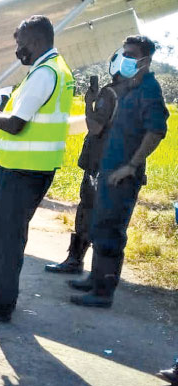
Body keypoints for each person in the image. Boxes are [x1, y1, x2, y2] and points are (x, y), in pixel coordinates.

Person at [0, 15, 74, 322]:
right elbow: (19, 116)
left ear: (36, 42)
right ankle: (1, 295)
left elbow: (14, 124)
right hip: (30, 167)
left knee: (7, 239)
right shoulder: (52, 69)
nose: (18, 50)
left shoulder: (43, 74)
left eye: (21, 44)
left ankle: (0, 305)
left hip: (26, 169)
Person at [69, 35, 170, 308]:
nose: (123, 59)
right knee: (100, 226)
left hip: (123, 176)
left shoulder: (149, 89)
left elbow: (157, 130)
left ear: (145, 61)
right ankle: (94, 280)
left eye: (130, 55)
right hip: (108, 171)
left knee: (111, 232)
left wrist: (131, 166)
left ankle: (103, 293)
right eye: (123, 54)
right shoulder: (129, 88)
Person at [44, 72, 122, 273]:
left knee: (88, 210)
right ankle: (99, 271)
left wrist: (89, 103)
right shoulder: (134, 92)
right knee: (106, 215)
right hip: (115, 163)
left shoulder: (110, 92)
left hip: (99, 163)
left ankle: (75, 261)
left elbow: (95, 127)